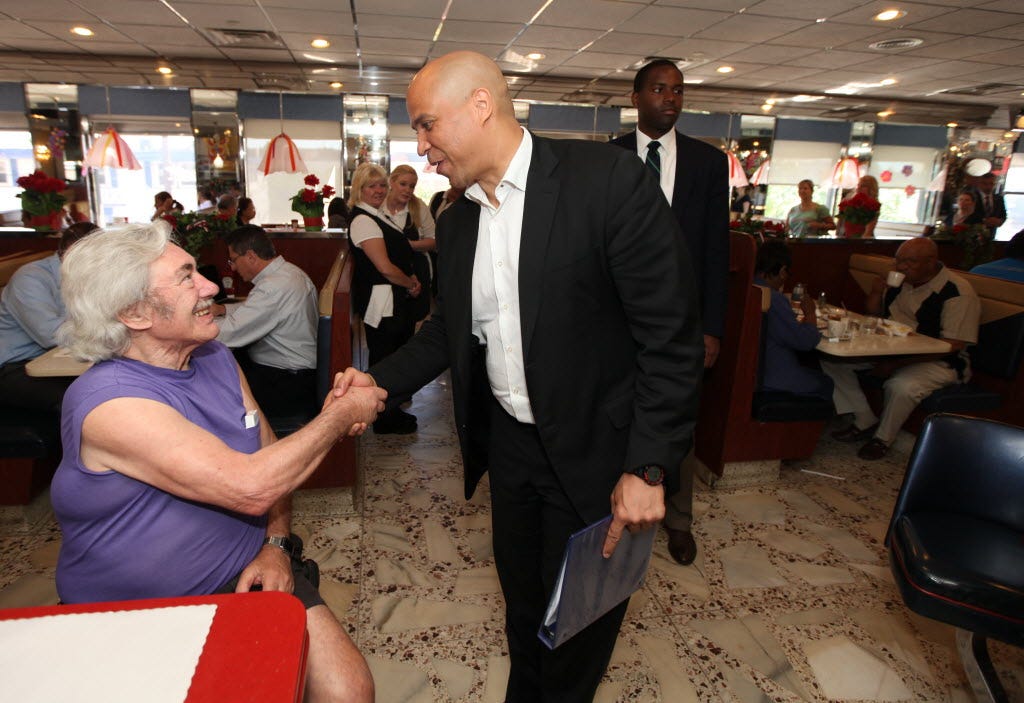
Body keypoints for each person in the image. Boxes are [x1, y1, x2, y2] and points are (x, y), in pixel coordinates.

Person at [335, 51, 702, 702]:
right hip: (511, 451)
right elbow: (447, 330)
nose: (420, 147)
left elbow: (670, 340)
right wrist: (378, 382)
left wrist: (649, 467)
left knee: (578, 629)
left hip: (596, 452)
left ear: (480, 106)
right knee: (525, 612)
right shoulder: (459, 221)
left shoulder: (607, 182)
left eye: (426, 124)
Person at [52, 221, 382, 703]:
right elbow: (252, 486)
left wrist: (275, 545)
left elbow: (269, 457)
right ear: (134, 312)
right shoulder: (110, 403)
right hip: (139, 608)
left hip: (247, 566)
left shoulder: (213, 355)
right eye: (187, 278)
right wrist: (341, 414)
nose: (210, 286)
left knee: (348, 690)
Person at [611, 58, 728, 567]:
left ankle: (678, 521)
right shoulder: (609, 157)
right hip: (617, 318)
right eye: (659, 89)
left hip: (683, 322)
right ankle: (618, 509)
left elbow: (716, 251)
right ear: (636, 98)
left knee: (677, 418)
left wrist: (712, 328)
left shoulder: (708, 162)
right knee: (617, 414)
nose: (670, 98)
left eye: (678, 90)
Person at [822, 237, 980, 460]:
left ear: (930, 262)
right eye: (898, 260)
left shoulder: (957, 292)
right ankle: (864, 419)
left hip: (940, 361)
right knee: (834, 361)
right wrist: (876, 292)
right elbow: (875, 314)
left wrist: (895, 364)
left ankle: (882, 439)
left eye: (909, 262)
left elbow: (953, 345)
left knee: (901, 386)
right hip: (892, 350)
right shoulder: (899, 282)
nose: (901, 267)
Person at [209, 226, 318, 419]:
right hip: (294, 373)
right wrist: (223, 309)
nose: (233, 268)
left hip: (287, 382)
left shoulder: (273, 286)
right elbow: (260, 309)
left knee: (216, 390)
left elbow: (230, 333)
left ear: (251, 256)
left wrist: (188, 326)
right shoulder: (288, 272)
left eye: (233, 260)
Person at [347, 162, 422, 435]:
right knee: (384, 359)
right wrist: (410, 283)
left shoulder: (375, 215)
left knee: (391, 355)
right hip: (382, 301)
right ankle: (384, 417)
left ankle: (390, 410)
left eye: (381, 185)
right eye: (371, 186)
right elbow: (385, 268)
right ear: (360, 189)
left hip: (391, 297)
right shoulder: (363, 220)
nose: (378, 190)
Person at [0, 222, 98, 413]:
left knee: (113, 383)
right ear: (65, 254)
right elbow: (51, 336)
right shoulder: (31, 278)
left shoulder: (86, 277)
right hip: (14, 366)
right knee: (80, 398)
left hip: (53, 360)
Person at [754, 241, 832, 400]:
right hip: (772, 378)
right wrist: (810, 314)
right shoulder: (773, 299)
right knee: (825, 382)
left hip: (752, 371)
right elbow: (806, 342)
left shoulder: (749, 289)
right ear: (782, 271)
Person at [381, 164, 436, 321]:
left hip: (417, 274)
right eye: (403, 184)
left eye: (412, 186)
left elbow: (434, 241)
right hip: (386, 275)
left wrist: (409, 245)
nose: (408, 190)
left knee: (410, 323)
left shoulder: (418, 207)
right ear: (391, 182)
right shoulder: (379, 207)